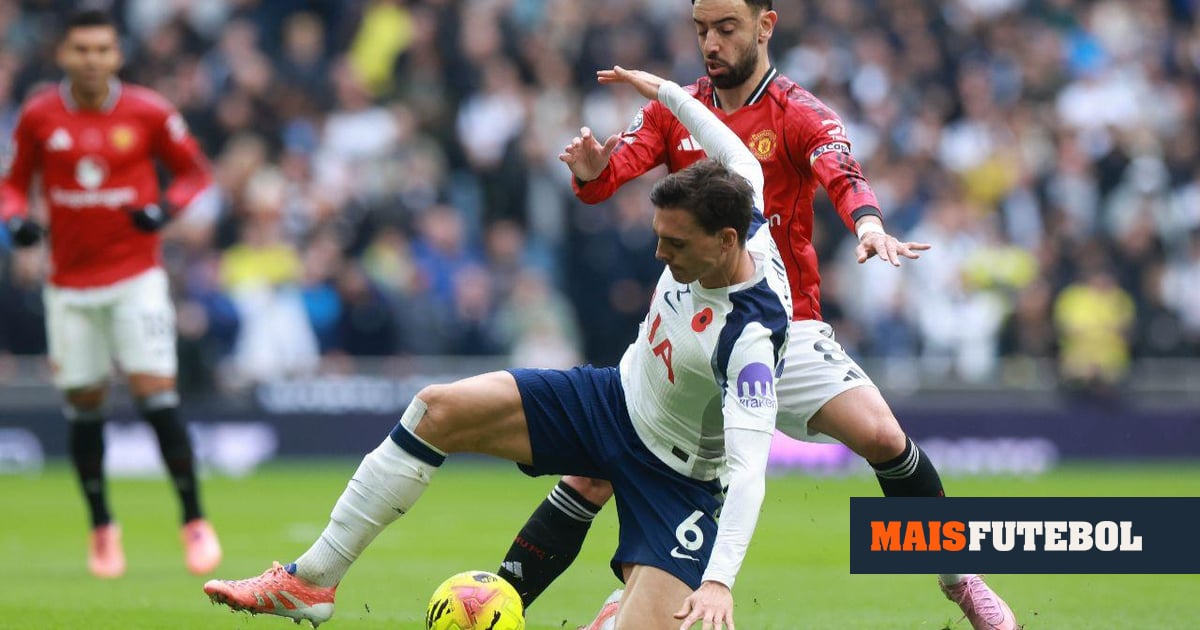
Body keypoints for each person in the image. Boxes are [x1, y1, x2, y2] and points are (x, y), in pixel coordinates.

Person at [203, 66, 790, 630]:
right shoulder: (746, 190)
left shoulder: (749, 343)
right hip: (613, 400)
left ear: (726, 241)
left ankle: (632, 608)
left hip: (677, 473)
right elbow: (727, 139)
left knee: (877, 439)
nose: (660, 256)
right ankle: (311, 580)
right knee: (438, 408)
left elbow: (747, 474)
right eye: (657, 237)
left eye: (675, 244)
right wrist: (662, 91)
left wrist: (719, 582)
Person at [495, 2, 1018, 629]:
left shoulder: (799, 111)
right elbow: (613, 173)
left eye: (726, 29)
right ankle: (496, 602)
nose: (710, 44)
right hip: (691, 321)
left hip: (782, 323)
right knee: (598, 469)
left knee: (882, 437)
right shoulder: (674, 107)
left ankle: (961, 581)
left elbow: (842, 171)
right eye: (700, 31)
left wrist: (870, 223)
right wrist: (590, 173)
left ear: (765, 27)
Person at [0, 10, 220, 578]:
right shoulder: (40, 114)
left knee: (155, 393)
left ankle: (194, 519)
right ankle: (102, 526)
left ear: (117, 55)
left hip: (135, 277)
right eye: (82, 49)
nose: (92, 59)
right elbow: (12, 183)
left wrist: (165, 211)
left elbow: (195, 173)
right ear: (64, 55)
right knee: (84, 405)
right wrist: (15, 220)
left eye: (102, 49)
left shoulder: (148, 111)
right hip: (69, 284)